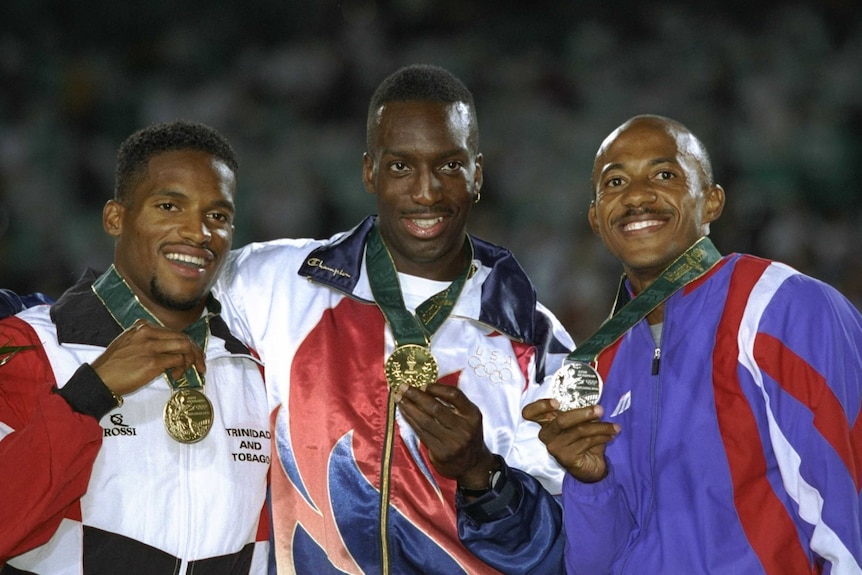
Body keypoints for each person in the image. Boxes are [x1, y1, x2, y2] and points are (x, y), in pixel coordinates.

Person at [214, 64, 572, 574]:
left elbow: (563, 552)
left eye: (448, 166)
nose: (426, 193)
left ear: (477, 173)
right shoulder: (271, 285)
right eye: (401, 167)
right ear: (369, 172)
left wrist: (481, 474)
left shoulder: (536, 342)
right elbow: (151, 303)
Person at [524, 114, 862, 574]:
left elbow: (848, 512)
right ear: (596, 218)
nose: (638, 196)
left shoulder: (783, 306)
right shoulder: (598, 366)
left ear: (712, 202)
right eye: (615, 182)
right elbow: (596, 564)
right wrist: (591, 481)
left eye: (665, 175)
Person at [0, 121, 271, 574]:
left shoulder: (259, 366)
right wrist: (88, 395)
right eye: (169, 206)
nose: (198, 232)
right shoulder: (29, 346)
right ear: (115, 218)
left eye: (218, 216)